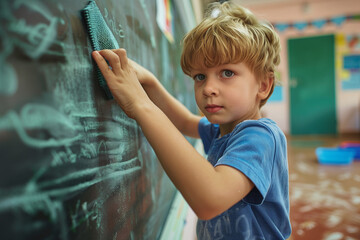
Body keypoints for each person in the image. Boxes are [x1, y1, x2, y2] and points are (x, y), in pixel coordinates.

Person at [92, 2, 291, 239]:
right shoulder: (222, 131)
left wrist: (140, 105)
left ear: (263, 85)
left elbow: (210, 198)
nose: (208, 88)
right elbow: (185, 121)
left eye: (227, 73)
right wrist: (150, 83)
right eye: (200, 76)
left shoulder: (260, 136)